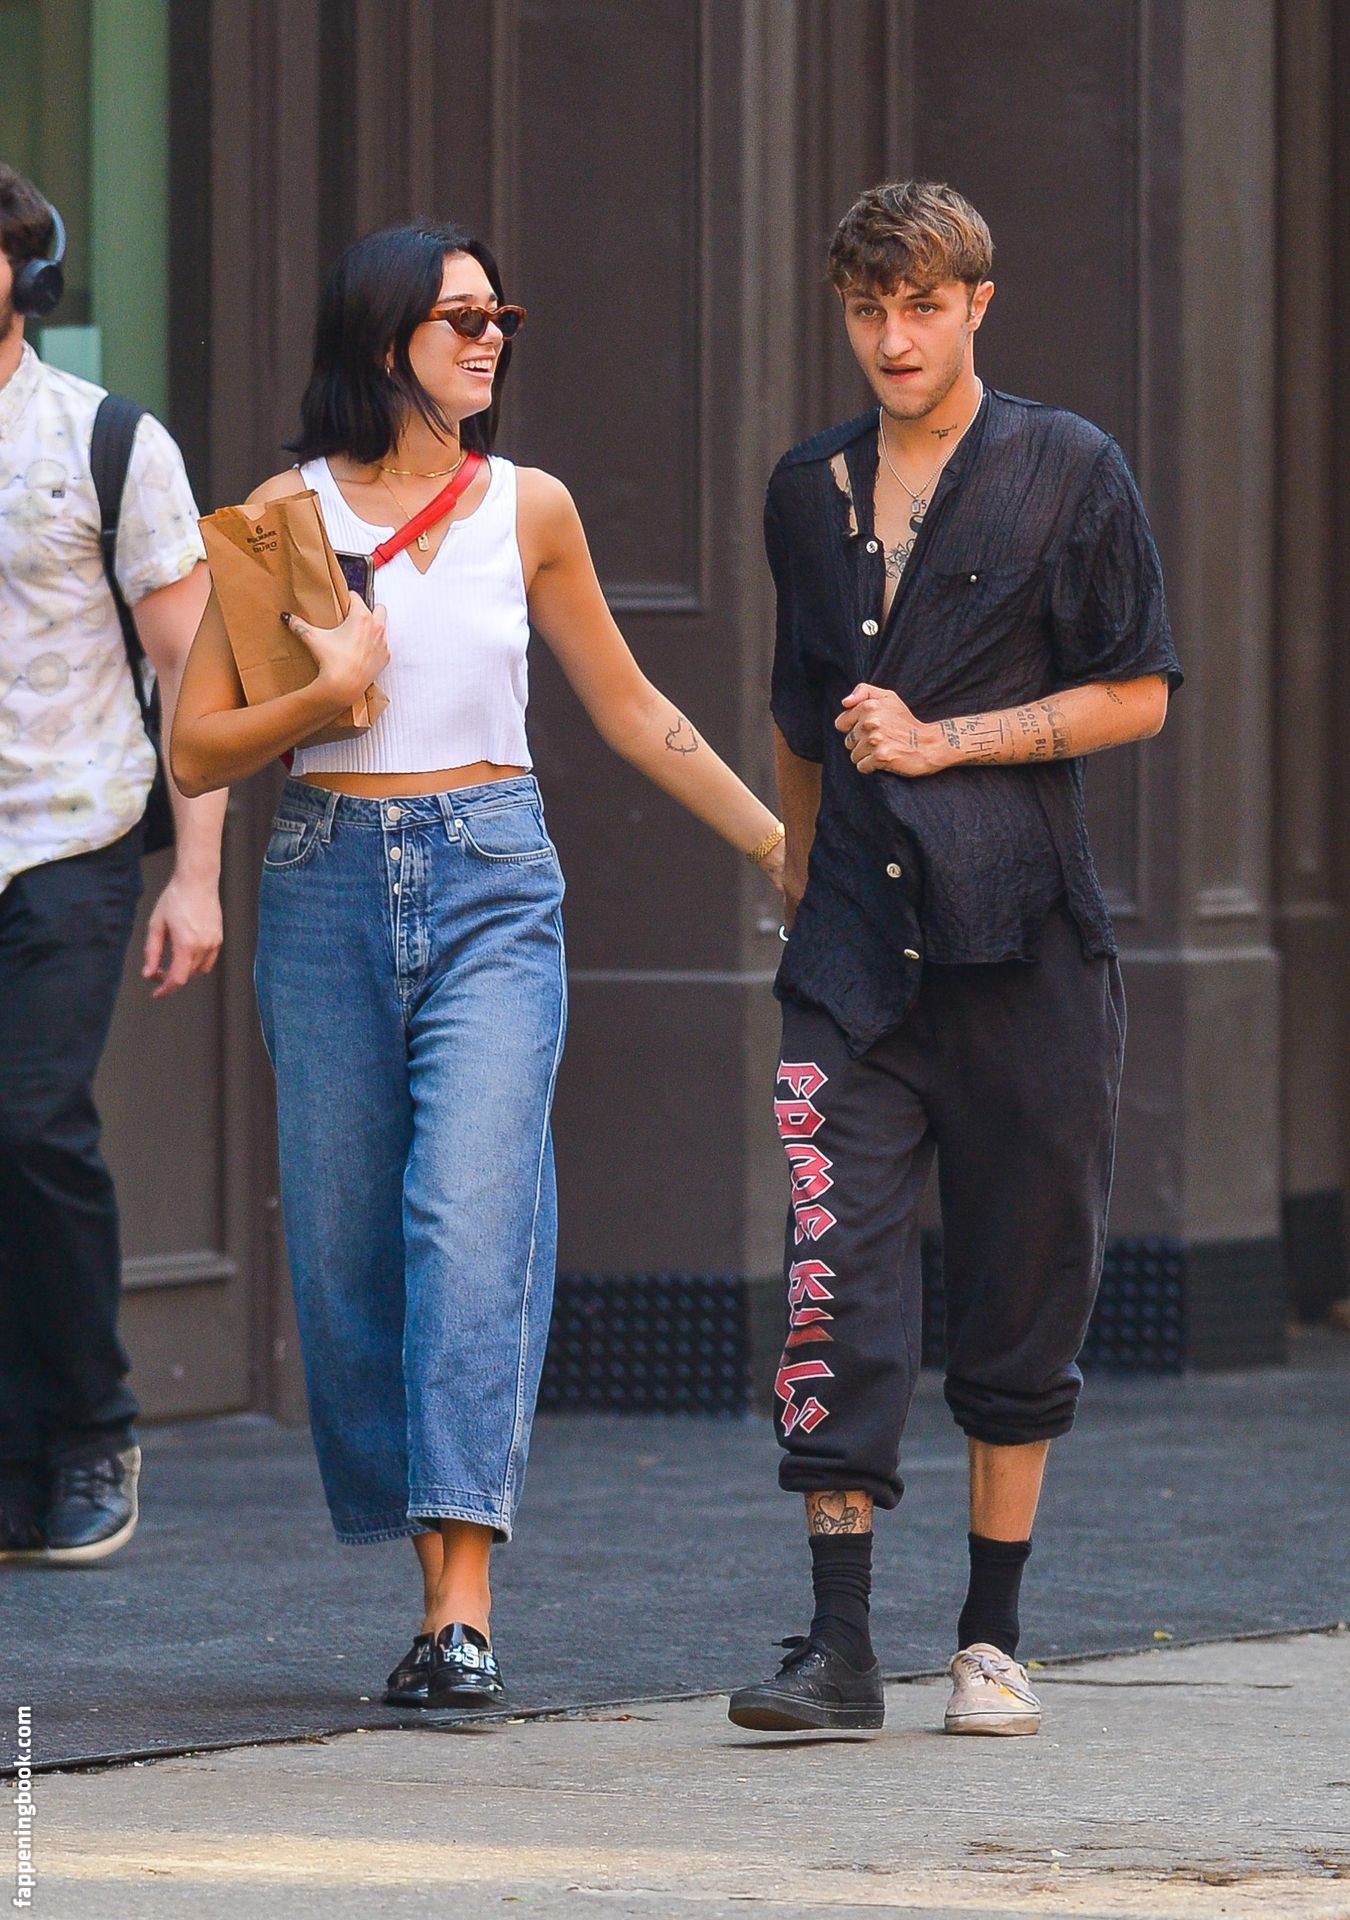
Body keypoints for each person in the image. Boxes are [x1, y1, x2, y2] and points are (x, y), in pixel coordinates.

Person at [171, 221, 786, 1709]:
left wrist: (782, 848)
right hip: (324, 883)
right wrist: (323, 689)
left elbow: (632, 708)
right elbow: (196, 748)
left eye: (499, 313)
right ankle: (423, 1569)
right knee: (347, 1247)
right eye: (460, 317)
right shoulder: (279, 518)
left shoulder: (532, 506)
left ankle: (463, 1610)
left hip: (494, 881)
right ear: (384, 337)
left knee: (470, 1212)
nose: (490, 336)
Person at [727, 181, 1180, 1738]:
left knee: (1020, 1279)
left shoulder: (1067, 468)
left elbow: (1137, 691)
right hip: (852, 962)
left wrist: (943, 741)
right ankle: (834, 1644)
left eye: (920, 306)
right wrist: (799, 873)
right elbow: (799, 714)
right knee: (833, 1281)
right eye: (867, 309)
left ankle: (990, 1637)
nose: (893, 339)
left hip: (1025, 946)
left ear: (976, 302)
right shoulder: (806, 489)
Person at [0, 165, 225, 1565]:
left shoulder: (107, 441)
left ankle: (92, 1429)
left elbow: (193, 670)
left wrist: (195, 876)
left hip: (65, 836)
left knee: (30, 1127)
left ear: (24, 274)